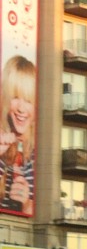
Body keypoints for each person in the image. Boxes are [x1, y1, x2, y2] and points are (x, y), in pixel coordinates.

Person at [0, 54, 36, 216]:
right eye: (15, 98)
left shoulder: (36, 155)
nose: (22, 109)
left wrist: (27, 203)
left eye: (28, 100)